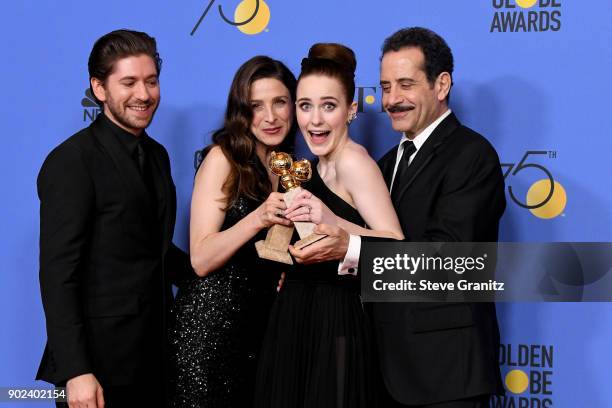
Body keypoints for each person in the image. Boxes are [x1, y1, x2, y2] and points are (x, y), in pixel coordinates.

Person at [290, 28, 506, 408]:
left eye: (405, 85)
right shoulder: (387, 164)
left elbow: (451, 260)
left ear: (441, 85)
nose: (392, 99)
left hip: (445, 373)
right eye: (386, 87)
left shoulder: (472, 156)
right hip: (383, 370)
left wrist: (350, 246)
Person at [36, 29, 193, 407]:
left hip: (154, 358)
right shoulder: (72, 161)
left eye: (151, 81)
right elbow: (59, 275)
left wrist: (233, 274)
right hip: (96, 367)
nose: (144, 94)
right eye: (129, 82)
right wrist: (75, 372)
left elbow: (153, 252)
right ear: (99, 88)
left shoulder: (157, 156)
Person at [255, 43, 404, 408]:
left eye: (329, 106)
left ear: (351, 110)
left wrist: (334, 221)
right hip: (296, 315)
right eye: (305, 106)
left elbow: (396, 244)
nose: (315, 120)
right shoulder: (311, 165)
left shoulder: (354, 161)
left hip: (334, 319)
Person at [168, 56, 297, 407]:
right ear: (242, 111)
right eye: (256, 106)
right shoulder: (223, 159)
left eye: (280, 102)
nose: (270, 117)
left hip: (257, 333)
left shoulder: (289, 168)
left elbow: (272, 250)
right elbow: (201, 258)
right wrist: (258, 218)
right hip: (208, 333)